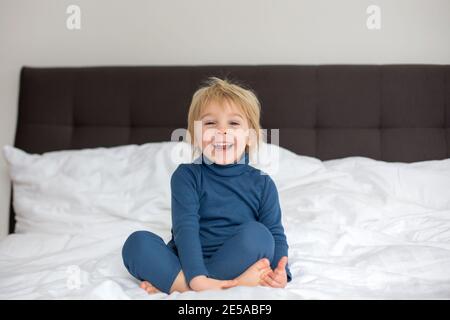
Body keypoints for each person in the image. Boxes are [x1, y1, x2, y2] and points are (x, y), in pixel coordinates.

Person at [122, 77, 291, 294]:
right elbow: (185, 230)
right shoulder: (187, 176)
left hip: (237, 257)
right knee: (137, 243)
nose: (222, 131)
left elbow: (276, 233)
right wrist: (197, 278)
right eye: (210, 123)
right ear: (195, 135)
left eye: (234, 123)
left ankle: (178, 284)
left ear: (250, 136)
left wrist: (281, 272)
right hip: (189, 260)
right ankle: (225, 284)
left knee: (260, 236)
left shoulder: (263, 184)